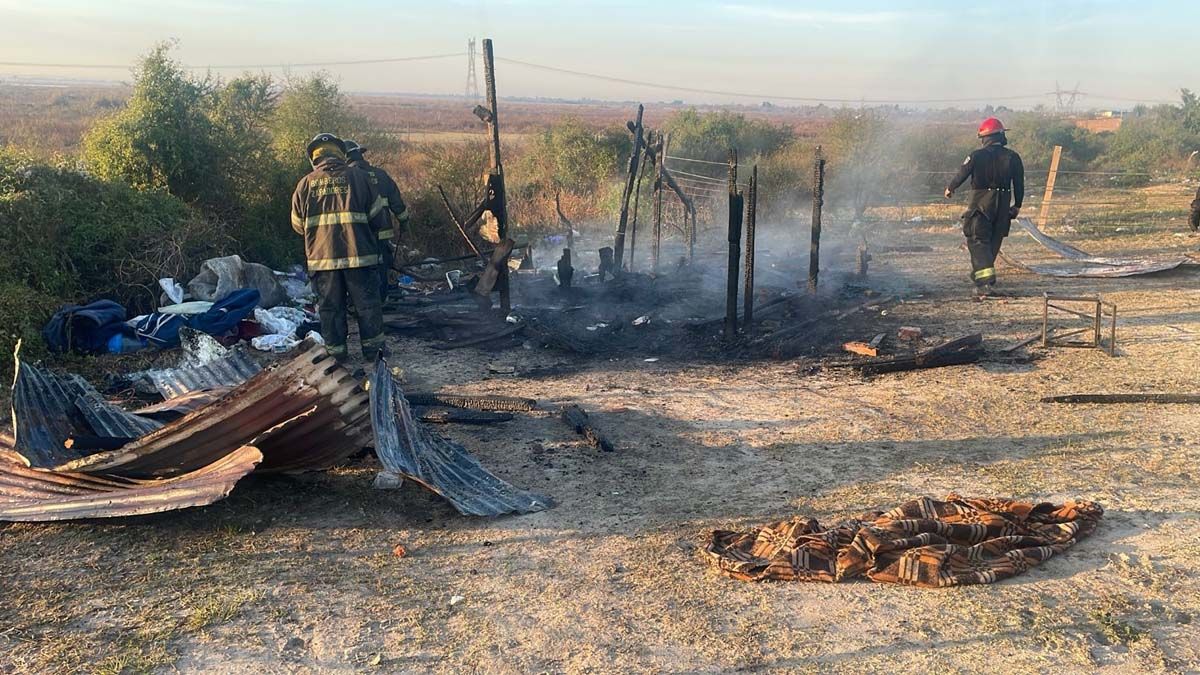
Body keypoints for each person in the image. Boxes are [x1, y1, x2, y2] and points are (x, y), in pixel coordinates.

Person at [290, 133, 390, 363]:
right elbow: (378, 218)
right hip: (360, 258)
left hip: (323, 261)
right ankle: (375, 353)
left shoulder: (304, 185)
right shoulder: (360, 177)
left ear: (315, 158)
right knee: (367, 306)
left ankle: (336, 356)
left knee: (330, 309)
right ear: (340, 154)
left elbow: (297, 226)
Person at [945, 117, 1025, 298]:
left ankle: (984, 284)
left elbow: (962, 173)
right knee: (993, 242)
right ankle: (981, 277)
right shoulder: (1013, 157)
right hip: (1003, 204)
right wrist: (1017, 205)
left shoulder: (976, 155)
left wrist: (951, 188)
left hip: (980, 204)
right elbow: (1019, 184)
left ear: (984, 138)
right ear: (1001, 135)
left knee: (978, 241)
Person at [344, 140, 410, 295]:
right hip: (383, 230)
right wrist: (404, 222)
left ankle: (363, 298)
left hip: (358, 233)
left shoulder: (347, 178)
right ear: (360, 154)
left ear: (345, 158)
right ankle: (383, 295)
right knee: (382, 265)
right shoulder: (381, 175)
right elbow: (397, 204)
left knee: (360, 266)